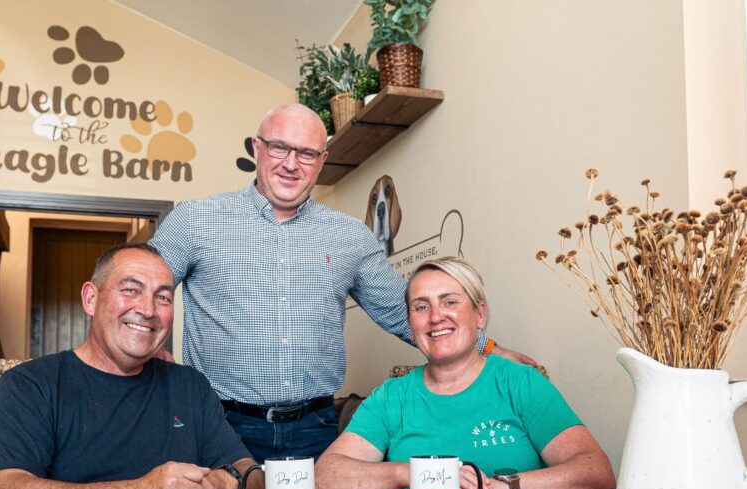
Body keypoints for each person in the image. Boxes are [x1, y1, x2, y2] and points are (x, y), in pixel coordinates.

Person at [151, 104, 540, 462]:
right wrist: (150, 351)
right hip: (220, 423)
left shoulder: (351, 236)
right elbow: (141, 289)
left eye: (306, 153)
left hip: (315, 429)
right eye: (279, 147)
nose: (291, 164)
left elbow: (402, 312)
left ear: (322, 161)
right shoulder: (195, 221)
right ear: (257, 147)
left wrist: (488, 349)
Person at [0, 243, 260, 489]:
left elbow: (253, 473)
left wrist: (223, 483)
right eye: (130, 290)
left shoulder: (190, 386)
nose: (148, 310)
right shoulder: (29, 385)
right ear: (91, 299)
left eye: (162, 297)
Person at [316, 257, 615, 489]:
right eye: (421, 307)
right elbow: (325, 474)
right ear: (410, 323)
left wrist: (507, 488)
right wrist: (410, 473)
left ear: (480, 315)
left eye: (450, 302)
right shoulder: (392, 396)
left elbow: (597, 475)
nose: (435, 317)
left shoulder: (521, 383)